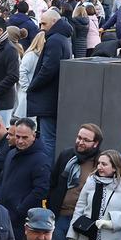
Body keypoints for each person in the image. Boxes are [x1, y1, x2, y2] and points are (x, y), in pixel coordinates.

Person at [47, 123, 103, 240]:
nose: (80, 142)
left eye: (86, 140)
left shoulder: (100, 162)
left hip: (83, 220)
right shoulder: (67, 155)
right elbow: (53, 183)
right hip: (61, 216)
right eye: (79, 137)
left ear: (95, 144)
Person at [0, 119, 51, 240]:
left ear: (34, 136)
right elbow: (1, 180)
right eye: (17, 136)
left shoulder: (41, 159)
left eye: (24, 137)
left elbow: (41, 191)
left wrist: (19, 209)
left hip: (21, 222)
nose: (20, 141)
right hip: (2, 215)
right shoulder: (11, 153)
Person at [26, 10, 72, 155]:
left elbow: (48, 68)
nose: (41, 27)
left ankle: (46, 167)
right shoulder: (62, 38)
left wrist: (33, 85)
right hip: (53, 97)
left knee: (48, 140)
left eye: (44, 24)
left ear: (54, 22)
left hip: (48, 99)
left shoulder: (55, 40)